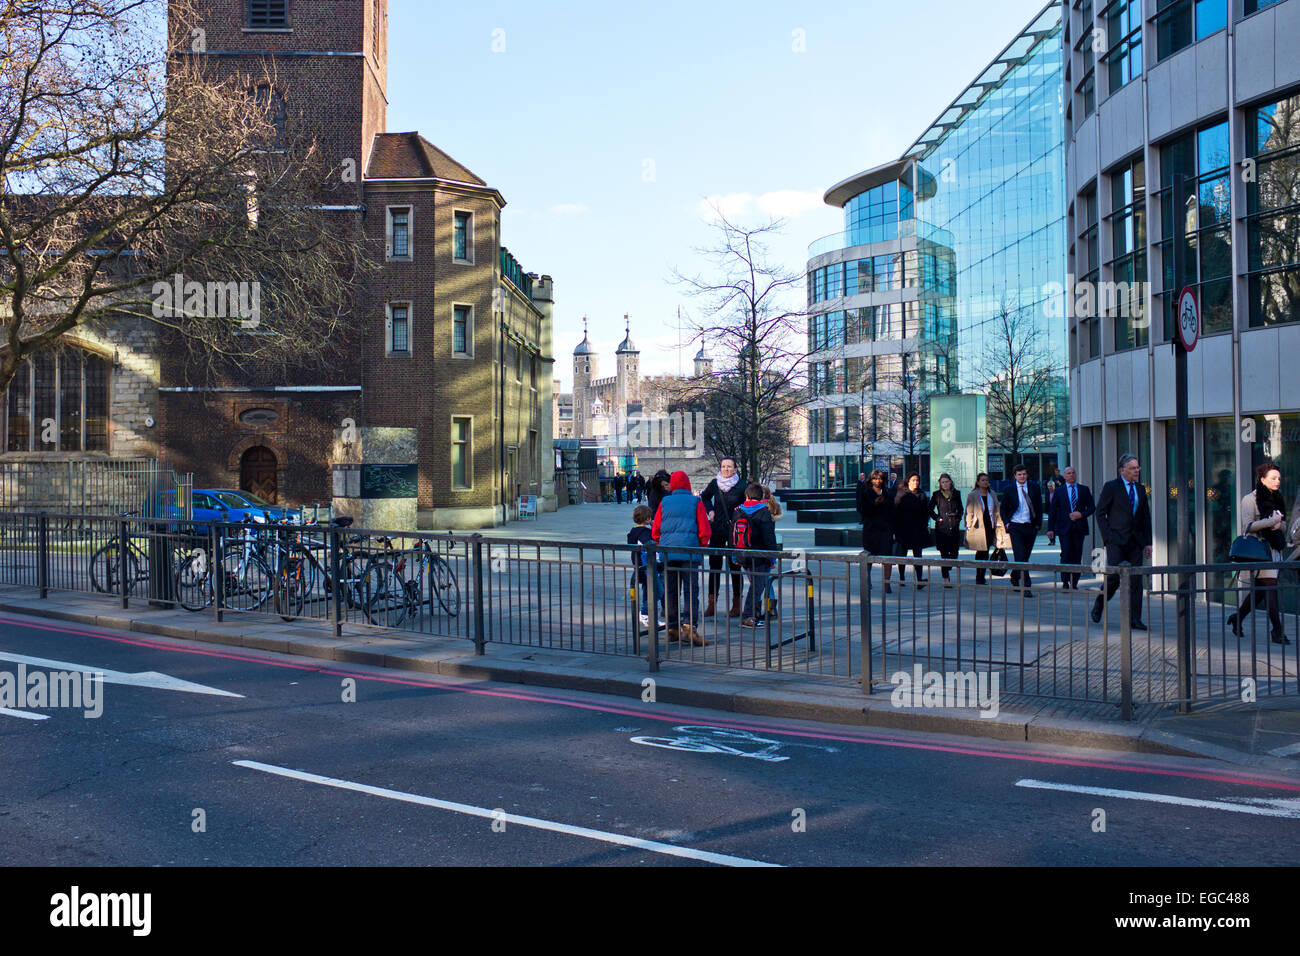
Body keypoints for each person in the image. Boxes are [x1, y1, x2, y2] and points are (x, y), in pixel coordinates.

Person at [1229, 462, 1290, 644]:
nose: (1277, 481)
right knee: (1271, 589)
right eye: (1273, 478)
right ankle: (1277, 630)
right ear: (1262, 479)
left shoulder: (1277, 498)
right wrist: (1272, 522)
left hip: (1273, 550)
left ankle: (1237, 617)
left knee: (1259, 592)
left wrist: (1280, 524)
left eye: (1278, 478)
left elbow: (1282, 524)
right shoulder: (1249, 499)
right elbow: (1247, 527)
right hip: (1259, 551)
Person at [1090, 454, 1152, 630]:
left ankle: (1135, 618)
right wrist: (1108, 537)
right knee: (1114, 578)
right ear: (1122, 470)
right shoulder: (1112, 487)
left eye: (1138, 467)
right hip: (1116, 541)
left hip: (1135, 542)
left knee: (1136, 580)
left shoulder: (1140, 489)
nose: (1137, 471)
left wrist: (1147, 542)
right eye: (1133, 468)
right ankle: (1100, 602)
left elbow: (1145, 517)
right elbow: (1100, 513)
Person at [650, 471, 710, 646]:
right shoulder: (695, 502)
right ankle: (690, 631)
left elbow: (656, 529)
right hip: (689, 552)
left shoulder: (665, 502)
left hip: (668, 552)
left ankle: (672, 630)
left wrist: (661, 543)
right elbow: (705, 529)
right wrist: (702, 546)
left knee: (671, 592)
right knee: (691, 592)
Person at [699, 457, 746, 618]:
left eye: (729, 467)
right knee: (714, 566)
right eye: (723, 466)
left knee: (735, 566)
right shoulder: (715, 483)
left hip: (734, 531)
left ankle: (737, 604)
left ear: (735, 469)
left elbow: (748, 504)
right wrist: (710, 511)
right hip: (717, 529)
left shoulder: (742, 486)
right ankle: (711, 604)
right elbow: (704, 497)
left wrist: (740, 514)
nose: (725, 469)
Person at [731, 483, 781, 627]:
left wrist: (734, 556)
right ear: (761, 497)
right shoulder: (764, 512)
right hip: (760, 557)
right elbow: (769, 538)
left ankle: (755, 615)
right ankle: (748, 617)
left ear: (747, 496)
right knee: (756, 588)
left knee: (755, 585)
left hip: (743, 555)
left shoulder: (738, 511)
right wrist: (772, 558)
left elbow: (732, 536)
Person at [1047, 465, 1095, 589]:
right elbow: (1052, 511)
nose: (1071, 475)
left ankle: (1074, 582)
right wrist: (1050, 529)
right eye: (1068, 473)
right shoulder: (1059, 491)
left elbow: (1091, 507)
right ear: (1064, 476)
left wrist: (1081, 514)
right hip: (1064, 528)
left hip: (1079, 528)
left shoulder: (1084, 489)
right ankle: (1065, 581)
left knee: (1077, 554)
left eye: (1073, 472)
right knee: (1066, 553)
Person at [999, 463, 1042, 594]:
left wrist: (1038, 525)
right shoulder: (1009, 489)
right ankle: (1026, 586)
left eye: (1024, 474)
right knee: (1020, 555)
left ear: (1027, 475)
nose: (1022, 477)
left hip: (1030, 526)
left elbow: (1039, 507)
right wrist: (1007, 523)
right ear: (1015, 476)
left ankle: (1015, 574)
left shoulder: (1034, 488)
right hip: (1015, 526)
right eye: (1019, 474)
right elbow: (1003, 508)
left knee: (1024, 556)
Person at [964, 472, 1008, 585]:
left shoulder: (992, 493)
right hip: (978, 526)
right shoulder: (973, 494)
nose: (985, 482)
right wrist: (968, 525)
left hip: (990, 525)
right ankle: (979, 576)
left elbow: (997, 509)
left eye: (987, 480)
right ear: (978, 482)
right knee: (981, 551)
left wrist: (1000, 524)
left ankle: (982, 574)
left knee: (987, 550)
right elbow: (969, 511)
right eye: (982, 480)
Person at [627, 504, 664, 632]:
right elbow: (651, 547)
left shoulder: (634, 532)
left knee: (647, 592)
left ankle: (647, 616)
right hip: (649, 568)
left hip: (640, 568)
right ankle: (644, 613)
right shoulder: (645, 533)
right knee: (658, 591)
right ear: (647, 518)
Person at [857, 469, 896, 593]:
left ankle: (887, 583)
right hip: (871, 529)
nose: (877, 481)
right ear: (871, 480)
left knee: (887, 557)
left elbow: (892, 511)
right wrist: (874, 504)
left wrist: (893, 530)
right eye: (875, 478)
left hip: (886, 529)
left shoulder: (887, 493)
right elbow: (863, 510)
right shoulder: (866, 493)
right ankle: (867, 580)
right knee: (869, 555)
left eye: (880, 479)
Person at [893, 472, 928, 586]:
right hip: (903, 528)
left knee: (918, 555)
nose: (915, 482)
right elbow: (896, 511)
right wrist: (895, 529)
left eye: (917, 480)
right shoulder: (901, 493)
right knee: (902, 554)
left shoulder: (921, 494)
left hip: (917, 529)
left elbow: (925, 512)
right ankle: (902, 578)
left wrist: (923, 525)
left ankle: (919, 579)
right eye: (913, 480)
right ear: (908, 481)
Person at [928, 473, 963, 583]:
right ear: (940, 483)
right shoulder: (936, 494)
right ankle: (946, 578)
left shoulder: (956, 493)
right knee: (944, 553)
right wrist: (937, 518)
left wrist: (957, 519)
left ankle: (948, 566)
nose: (945, 484)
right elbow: (929, 509)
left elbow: (960, 509)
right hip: (942, 527)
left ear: (950, 482)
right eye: (943, 482)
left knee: (954, 553)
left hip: (953, 526)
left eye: (947, 481)